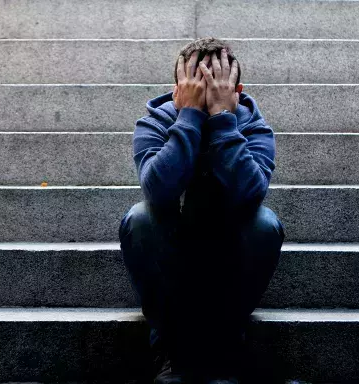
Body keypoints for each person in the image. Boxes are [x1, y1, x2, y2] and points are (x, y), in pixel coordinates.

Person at [118, 37, 285, 384]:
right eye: (197, 86)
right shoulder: (155, 122)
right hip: (174, 254)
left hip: (227, 254)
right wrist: (190, 117)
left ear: (236, 90)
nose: (207, 95)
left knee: (266, 225)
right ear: (178, 89)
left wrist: (223, 119)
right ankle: (171, 348)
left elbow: (251, 194)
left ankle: (225, 348)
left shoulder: (252, 126)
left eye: (217, 87)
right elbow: (158, 192)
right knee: (139, 218)